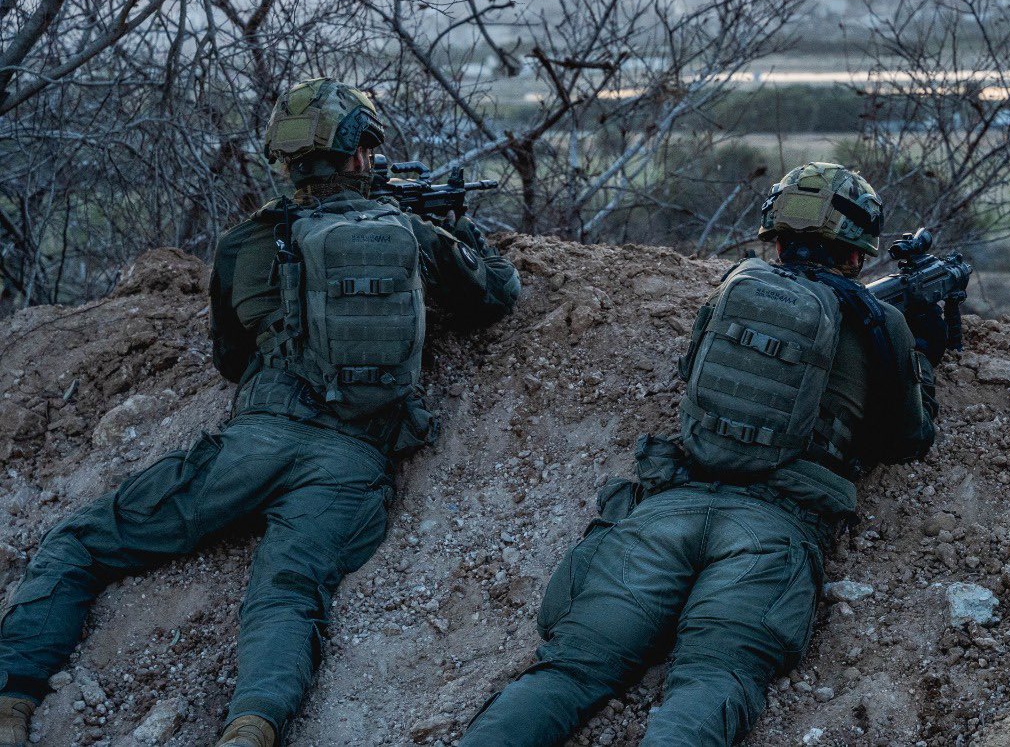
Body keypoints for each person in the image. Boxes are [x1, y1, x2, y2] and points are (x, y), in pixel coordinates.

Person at [0, 78, 520, 747]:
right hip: (352, 460)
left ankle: (12, 702)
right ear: (362, 155)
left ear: (284, 161)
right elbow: (498, 293)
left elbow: (228, 357)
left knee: (80, 543)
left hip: (252, 443)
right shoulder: (409, 234)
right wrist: (453, 228)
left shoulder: (246, 242)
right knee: (287, 595)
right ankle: (252, 727)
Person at [461, 161, 943, 747]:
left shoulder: (732, 289)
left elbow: (693, 376)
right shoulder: (879, 323)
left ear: (776, 235)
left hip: (669, 509)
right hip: (774, 529)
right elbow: (908, 440)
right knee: (709, 681)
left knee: (568, 671)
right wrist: (917, 352)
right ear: (856, 250)